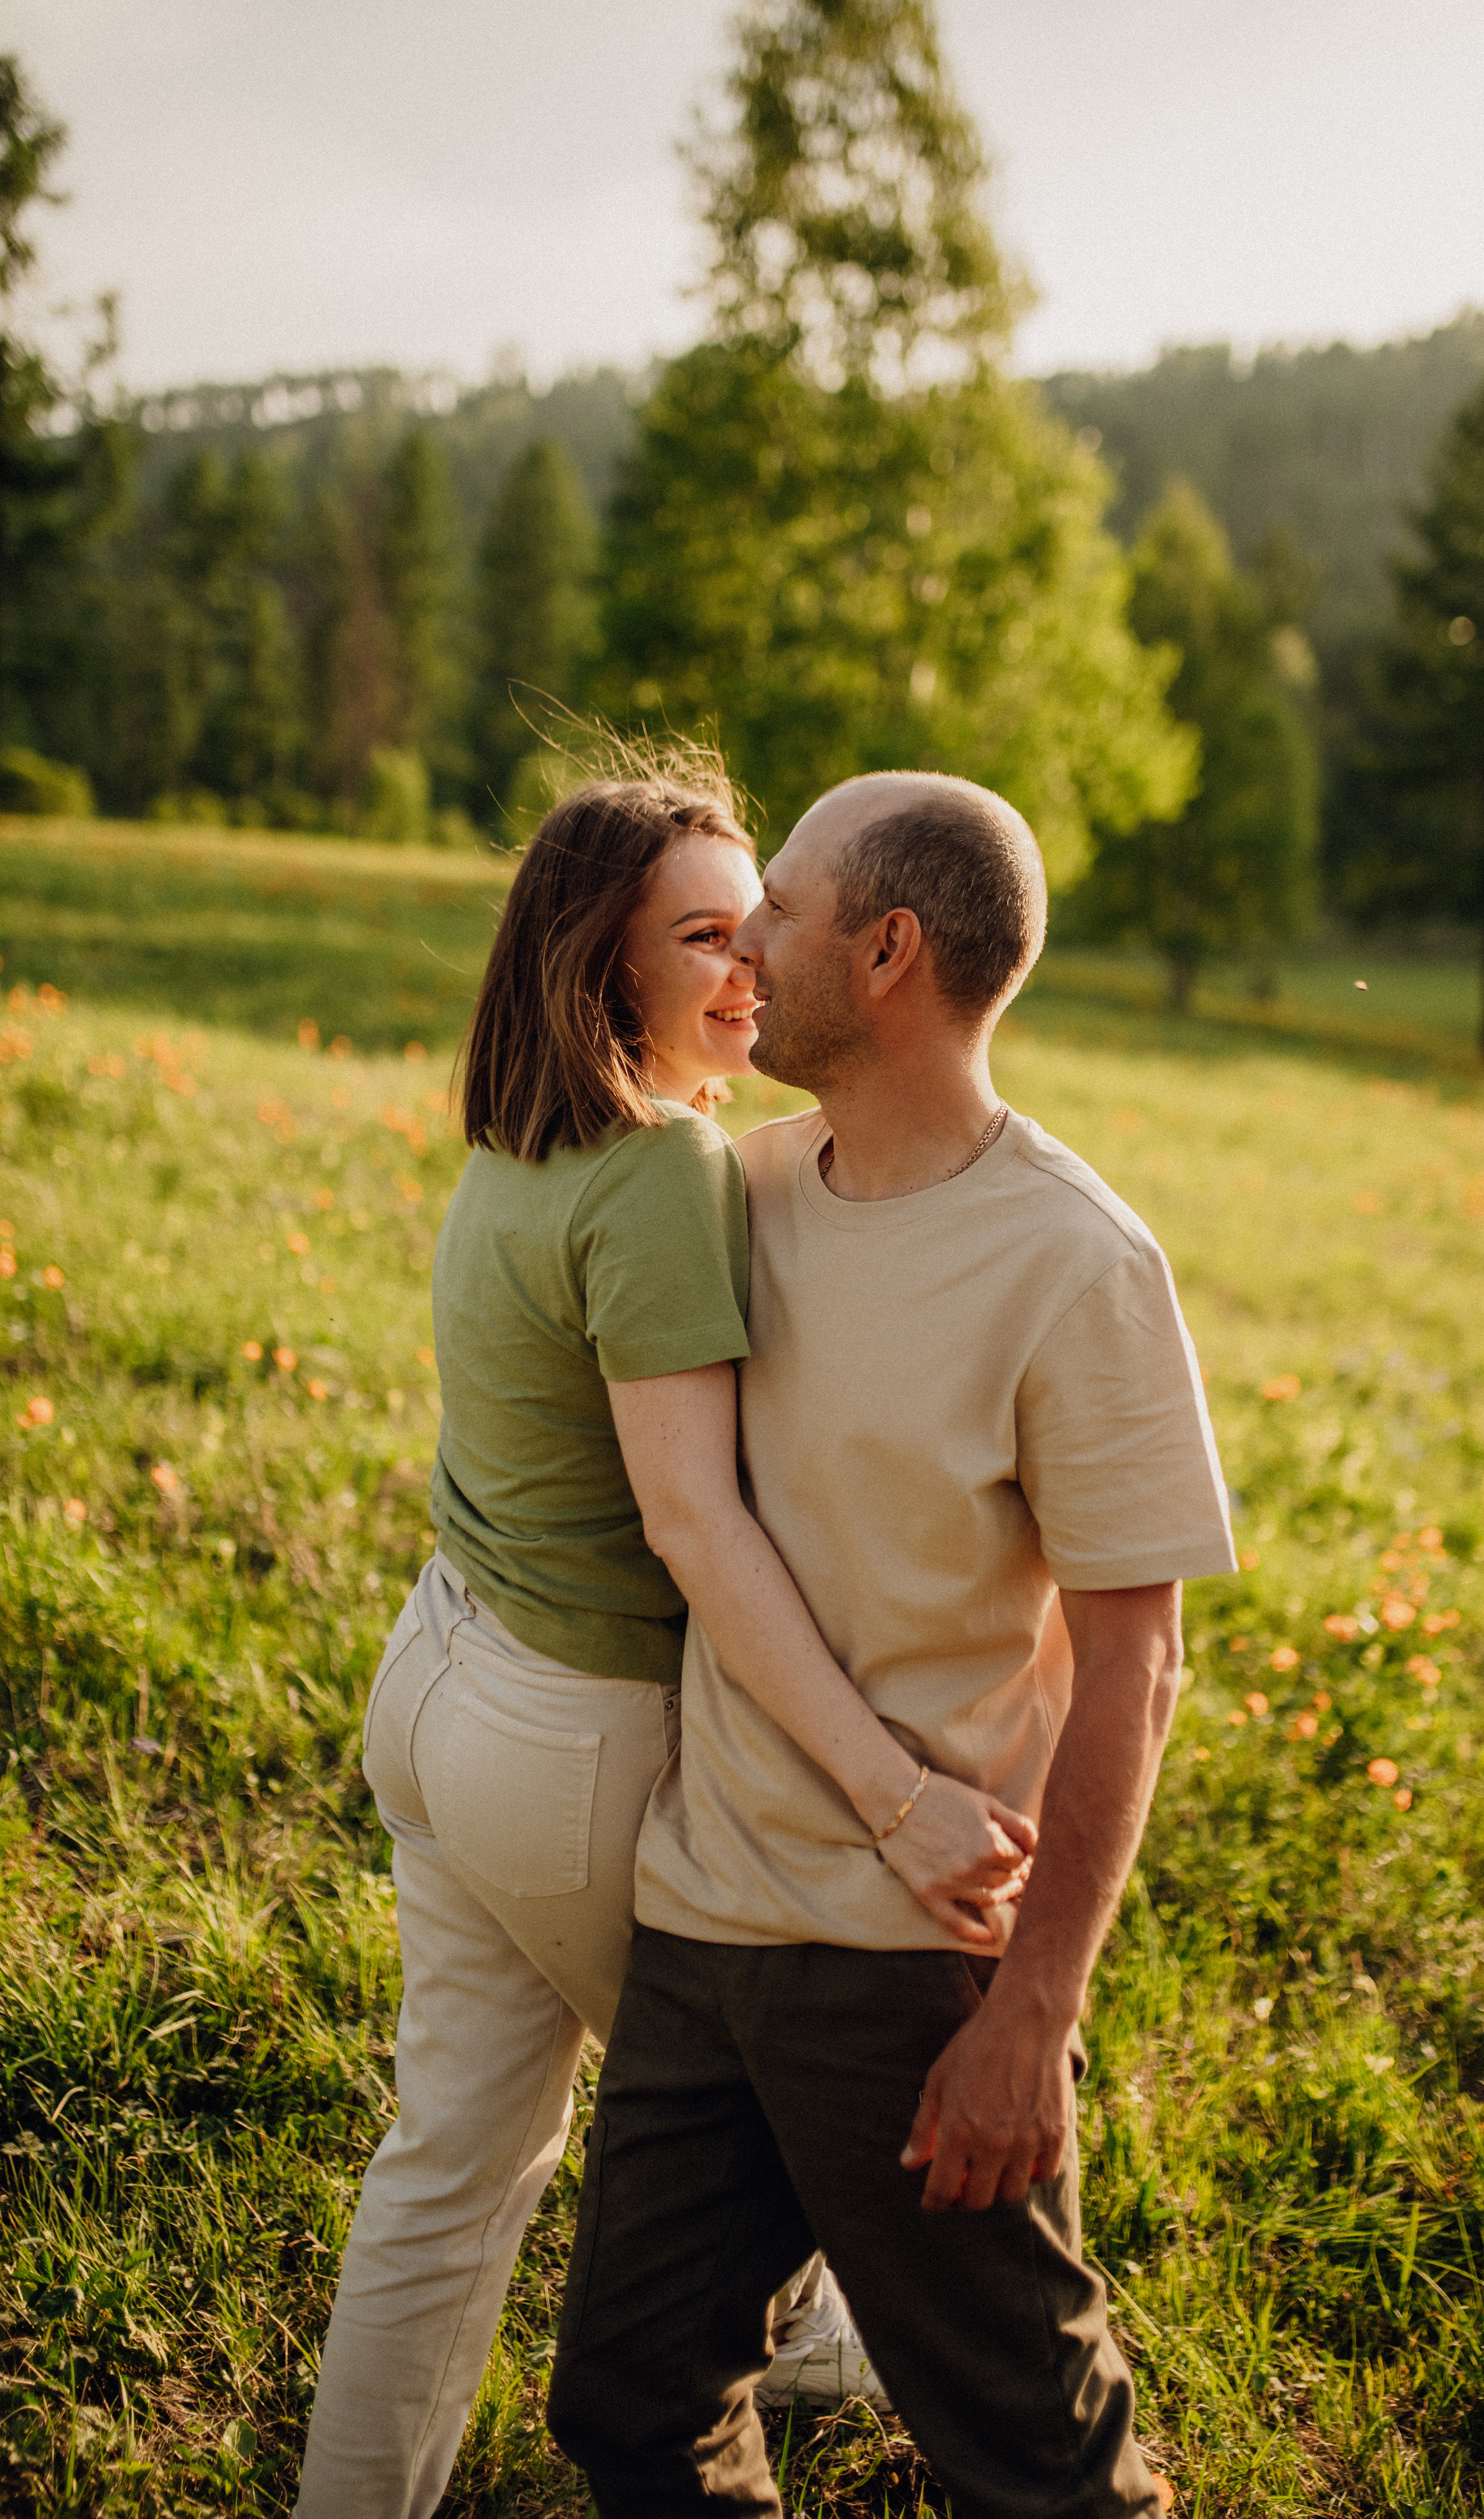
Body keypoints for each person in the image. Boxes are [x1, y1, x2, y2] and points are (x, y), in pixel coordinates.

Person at [294, 756, 1035, 2519]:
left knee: (452, 2166)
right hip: (569, 1734)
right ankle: (905, 2373)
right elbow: (694, 1519)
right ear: (597, 967)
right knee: (773, 2109)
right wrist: (885, 1788)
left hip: (440, 1682)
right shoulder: (660, 1172)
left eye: (757, 923)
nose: (751, 967)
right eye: (705, 935)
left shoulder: (525, 1145)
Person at [547, 771, 1238, 2519]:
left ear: (893, 947)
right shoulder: (737, 1192)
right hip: (702, 1921)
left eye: (777, 905)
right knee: (630, 2403)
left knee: (1039, 2464)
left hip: (907, 1973)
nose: (747, 945)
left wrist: (1036, 2009)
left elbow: (1133, 1667)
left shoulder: (1077, 1264)